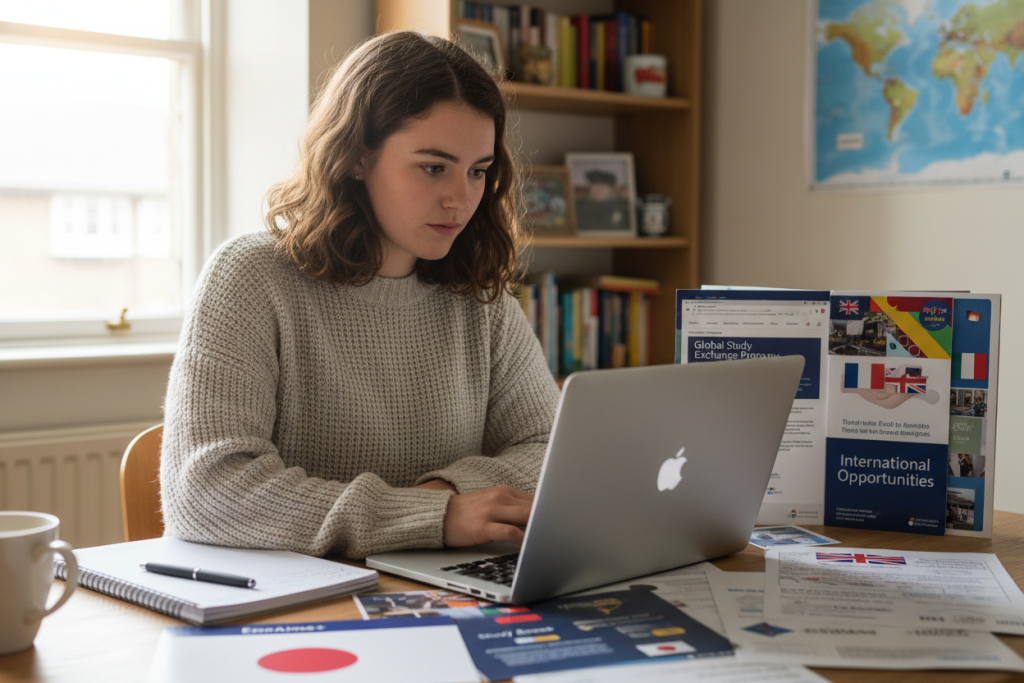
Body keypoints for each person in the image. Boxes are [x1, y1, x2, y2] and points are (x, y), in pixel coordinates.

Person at [159, 32, 561, 560]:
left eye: (478, 172)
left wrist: (441, 499)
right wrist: (431, 517)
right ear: (355, 157)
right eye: (433, 167)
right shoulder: (251, 278)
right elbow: (207, 490)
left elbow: (549, 450)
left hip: (432, 584)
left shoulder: (478, 299)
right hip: (288, 603)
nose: (461, 199)